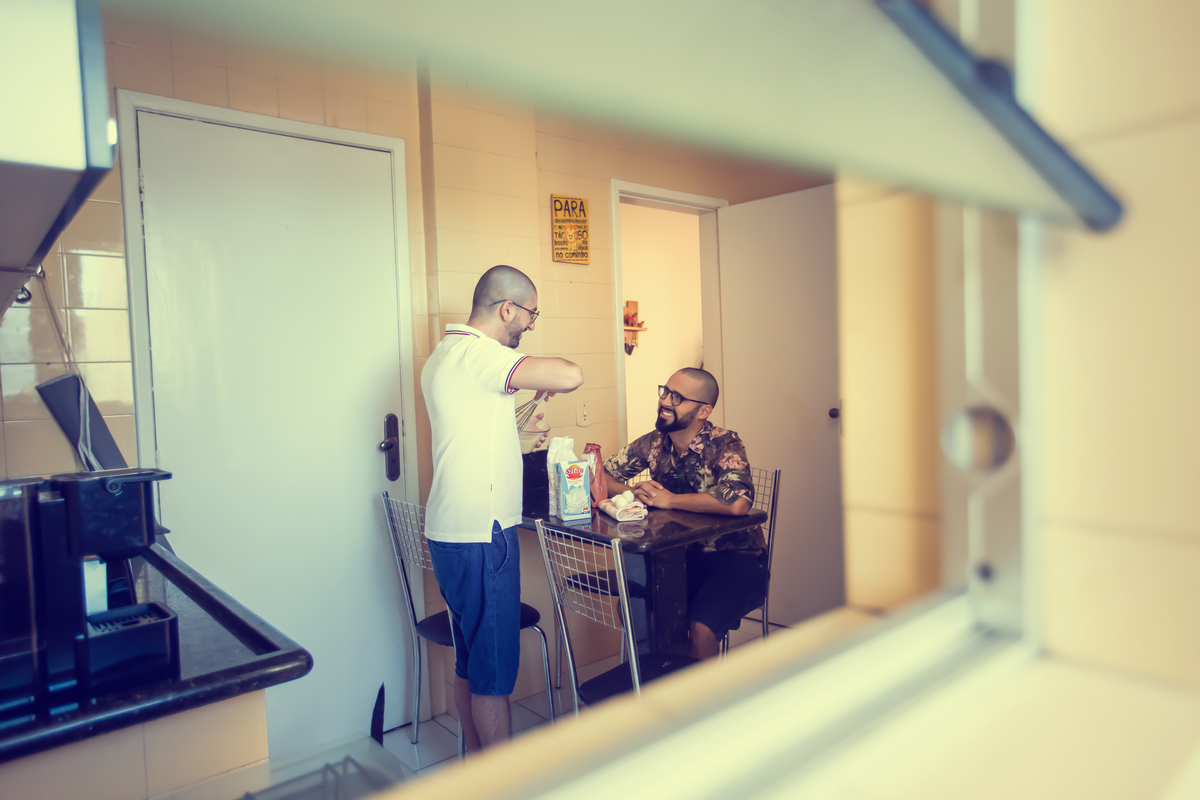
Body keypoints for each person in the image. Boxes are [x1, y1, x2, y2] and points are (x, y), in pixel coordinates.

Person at [421, 264, 583, 750]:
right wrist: (532, 373)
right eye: (530, 314)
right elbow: (571, 374)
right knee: (492, 676)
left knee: (471, 662)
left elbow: (474, 428)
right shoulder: (482, 353)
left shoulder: (445, 354)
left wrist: (523, 409)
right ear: (507, 309)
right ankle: (504, 780)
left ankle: (478, 769)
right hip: (483, 533)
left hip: (450, 530)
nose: (530, 324)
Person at [602, 368, 766, 660]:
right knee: (635, 610)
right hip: (678, 558)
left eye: (677, 397)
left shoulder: (724, 443)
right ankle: (662, 680)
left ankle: (700, 691)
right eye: (665, 391)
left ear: (704, 411)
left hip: (737, 559)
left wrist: (669, 500)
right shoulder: (654, 442)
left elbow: (738, 502)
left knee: (701, 630)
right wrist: (633, 492)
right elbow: (601, 475)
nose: (665, 401)